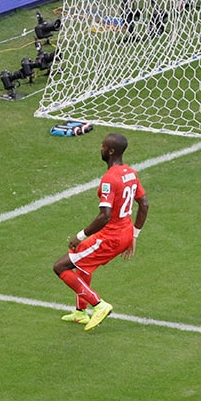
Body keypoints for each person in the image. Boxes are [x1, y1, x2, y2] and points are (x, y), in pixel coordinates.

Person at [53, 133, 149, 331]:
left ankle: (99, 305)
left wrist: (80, 236)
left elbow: (104, 216)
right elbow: (144, 204)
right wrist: (134, 235)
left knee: (60, 267)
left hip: (110, 238)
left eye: (103, 146)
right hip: (124, 234)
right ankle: (80, 313)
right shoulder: (130, 172)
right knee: (83, 267)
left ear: (111, 151)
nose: (101, 149)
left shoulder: (110, 179)